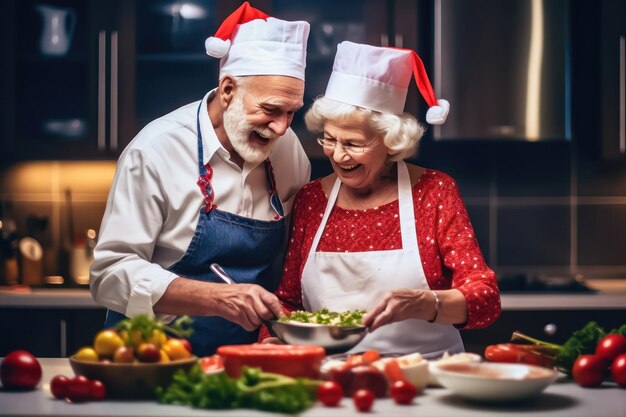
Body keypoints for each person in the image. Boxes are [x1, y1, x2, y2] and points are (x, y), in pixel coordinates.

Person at [90, 2, 311, 356]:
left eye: (291, 113)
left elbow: (286, 264)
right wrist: (216, 298)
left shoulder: (288, 151)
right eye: (270, 110)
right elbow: (110, 275)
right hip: (151, 357)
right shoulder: (156, 151)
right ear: (227, 91)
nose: (282, 127)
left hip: (243, 363)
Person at [261, 41, 501, 357]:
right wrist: (276, 337)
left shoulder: (434, 191)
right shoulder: (312, 199)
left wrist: (428, 304)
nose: (337, 154)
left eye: (353, 143)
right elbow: (290, 301)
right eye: (329, 139)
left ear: (391, 142)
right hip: (336, 375)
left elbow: (485, 300)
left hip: (425, 374)